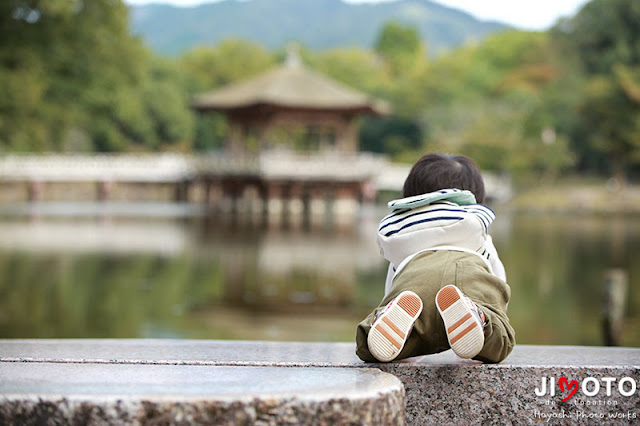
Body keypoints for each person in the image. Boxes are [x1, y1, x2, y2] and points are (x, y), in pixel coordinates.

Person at [355, 153, 515, 363]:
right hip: (468, 281)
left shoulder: (403, 235)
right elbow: (498, 285)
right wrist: (493, 311)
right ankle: (479, 318)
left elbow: (393, 284)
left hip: (414, 287)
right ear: (476, 196)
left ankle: (386, 322)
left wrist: (391, 306)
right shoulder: (476, 231)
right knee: (500, 338)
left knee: (372, 346)